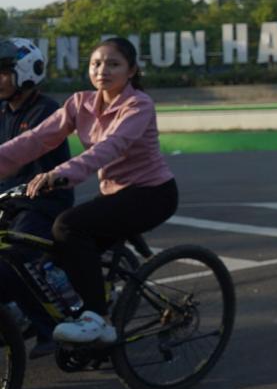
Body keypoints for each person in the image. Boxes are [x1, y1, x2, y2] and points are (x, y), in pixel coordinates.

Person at [0, 37, 178, 344]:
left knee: (68, 226)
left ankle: (98, 320)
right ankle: (78, 317)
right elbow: (37, 139)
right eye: (96, 64)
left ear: (131, 70)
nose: (102, 70)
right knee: (59, 254)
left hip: (152, 194)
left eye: (113, 64)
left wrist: (60, 173)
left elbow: (111, 146)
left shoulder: (138, 105)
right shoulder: (80, 102)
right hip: (115, 194)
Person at [0, 38, 72, 356]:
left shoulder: (47, 111)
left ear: (28, 71)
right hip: (8, 201)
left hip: (43, 202)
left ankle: (48, 328)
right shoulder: (2, 111)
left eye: (4, 72)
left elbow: (22, 156)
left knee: (13, 257)